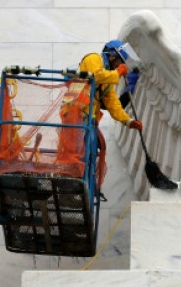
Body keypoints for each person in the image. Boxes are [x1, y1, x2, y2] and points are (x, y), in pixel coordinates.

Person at [58, 40, 143, 190]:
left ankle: (80, 185)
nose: (119, 66)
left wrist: (129, 122)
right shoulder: (93, 58)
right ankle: (67, 184)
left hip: (88, 120)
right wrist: (117, 73)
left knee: (89, 153)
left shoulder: (107, 82)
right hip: (74, 114)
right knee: (74, 151)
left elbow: (113, 105)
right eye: (119, 62)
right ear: (111, 56)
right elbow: (95, 76)